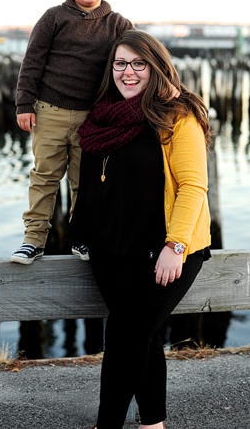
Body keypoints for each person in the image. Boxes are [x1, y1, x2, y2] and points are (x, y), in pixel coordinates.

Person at [69, 30, 212, 429]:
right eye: (120, 63)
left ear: (156, 66)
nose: (127, 72)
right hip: (111, 248)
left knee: (124, 338)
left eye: (138, 64)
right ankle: (153, 423)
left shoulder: (177, 115)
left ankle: (107, 424)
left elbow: (193, 186)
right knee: (142, 337)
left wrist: (177, 244)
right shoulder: (103, 116)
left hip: (164, 251)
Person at [11, 0, 133, 264]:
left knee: (85, 182)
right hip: (48, 112)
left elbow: (137, 61)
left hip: (92, 119)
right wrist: (24, 103)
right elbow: (32, 61)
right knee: (44, 177)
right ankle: (33, 240)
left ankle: (81, 238)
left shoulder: (119, 25)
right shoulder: (54, 18)